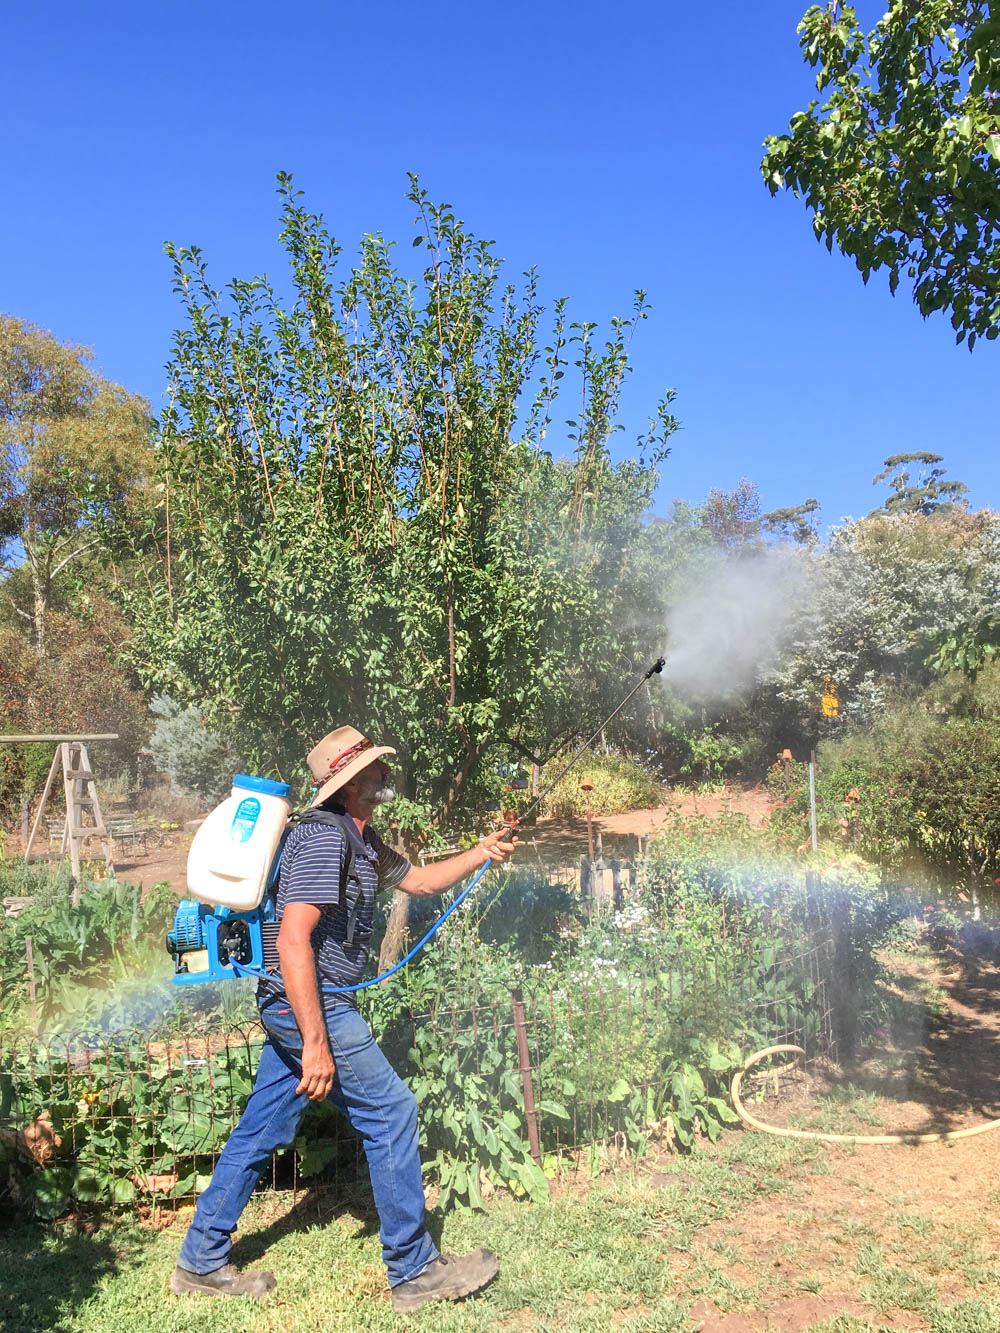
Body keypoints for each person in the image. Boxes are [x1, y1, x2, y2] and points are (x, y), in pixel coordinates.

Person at [170, 726, 516, 1313]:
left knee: (261, 1128)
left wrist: (483, 850)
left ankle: (199, 1261)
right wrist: (316, 1043)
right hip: (311, 1002)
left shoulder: (363, 840)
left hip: (301, 1001)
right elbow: (293, 941)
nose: (386, 774)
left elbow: (422, 881)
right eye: (376, 769)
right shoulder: (324, 841)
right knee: (392, 1110)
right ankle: (413, 1269)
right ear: (349, 783)